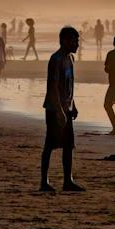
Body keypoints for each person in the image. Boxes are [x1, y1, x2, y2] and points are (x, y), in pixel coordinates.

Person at [39, 25, 83, 193]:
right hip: (54, 108)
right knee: (50, 145)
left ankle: (67, 181)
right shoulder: (55, 59)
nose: (77, 44)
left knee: (68, 145)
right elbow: (53, 87)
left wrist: (73, 105)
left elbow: (69, 85)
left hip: (67, 107)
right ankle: (44, 181)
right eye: (74, 40)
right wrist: (59, 111)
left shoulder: (70, 59)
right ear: (65, 40)